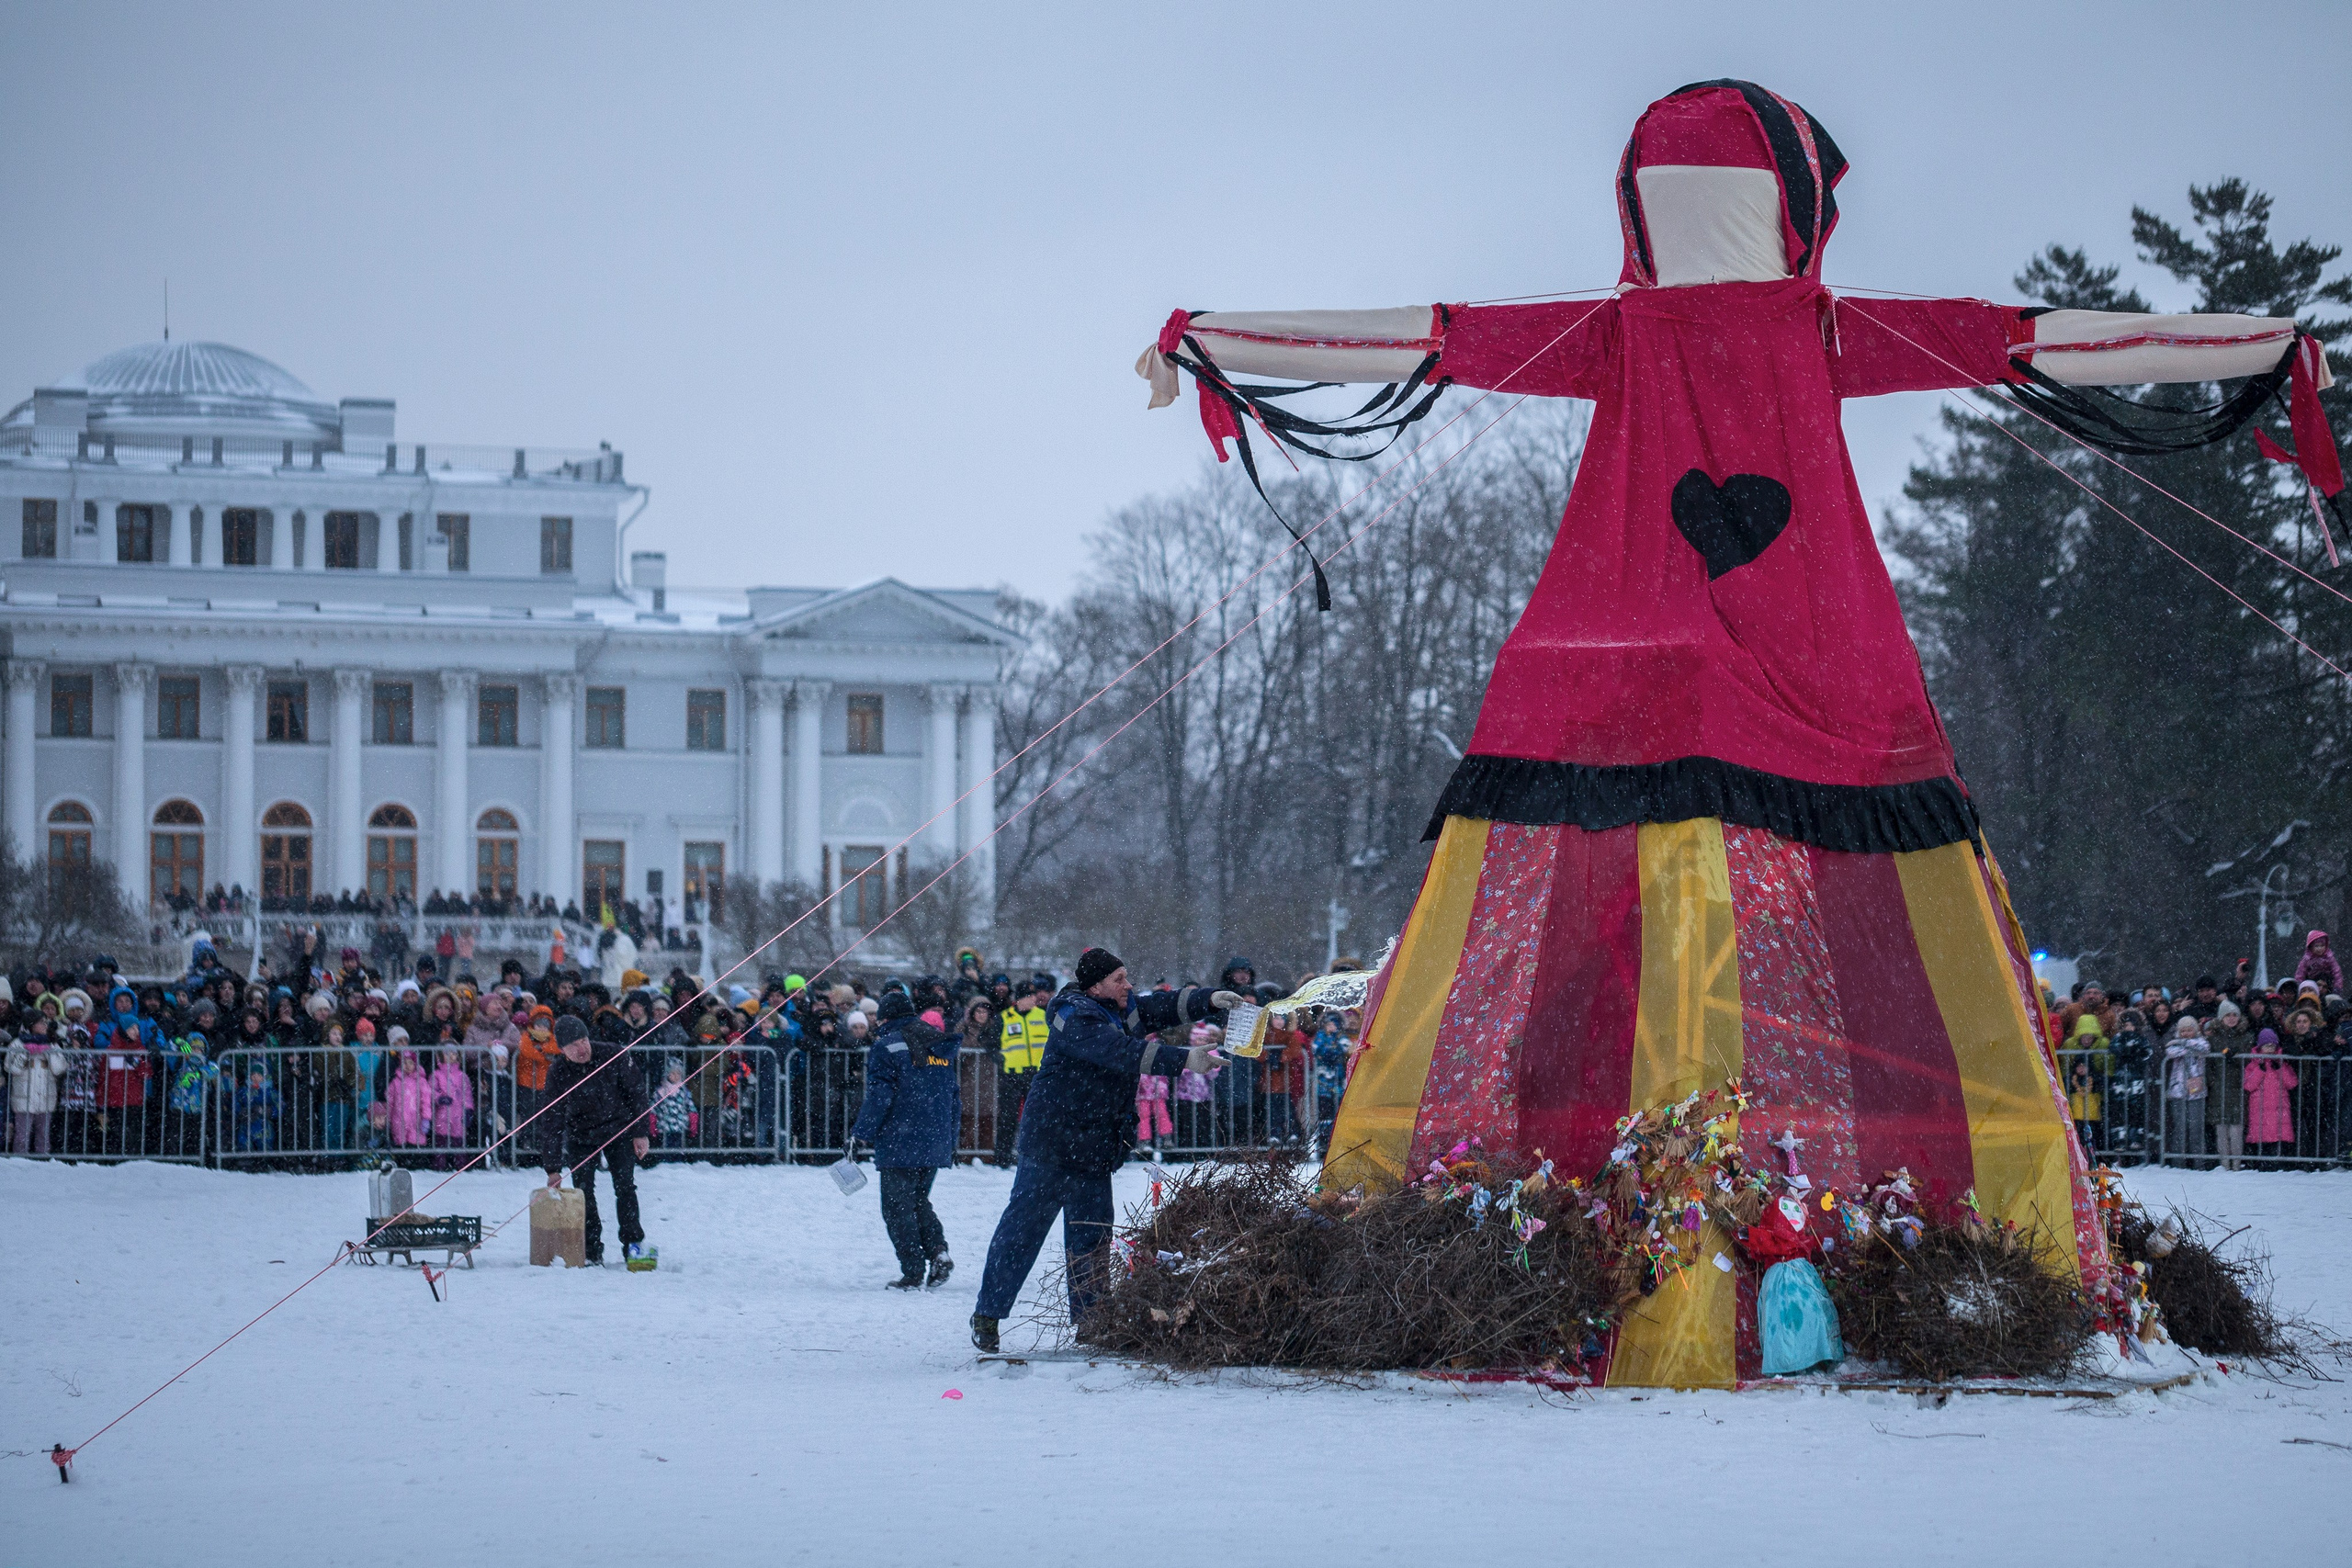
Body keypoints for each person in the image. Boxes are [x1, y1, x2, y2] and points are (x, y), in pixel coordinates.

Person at [970, 949, 1240, 1353]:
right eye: (1120, 978)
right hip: (1052, 1143)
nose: (1128, 985)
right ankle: (988, 1315)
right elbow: (1120, 1052)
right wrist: (1185, 1059)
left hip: (1094, 1146)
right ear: (1096, 985)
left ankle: (1092, 1322)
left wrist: (1210, 999)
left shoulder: (1119, 1006)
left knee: (1092, 1239)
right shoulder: (1074, 1016)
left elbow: (1160, 1006)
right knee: (1022, 1232)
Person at [848, 995, 962, 1289]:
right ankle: (938, 1252)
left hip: (902, 1138)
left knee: (898, 1209)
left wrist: (861, 1133)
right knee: (918, 1201)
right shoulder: (939, 1043)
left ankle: (912, 1272)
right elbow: (954, 1096)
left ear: (885, 1018)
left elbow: (879, 1096)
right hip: (935, 1137)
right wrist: (951, 1137)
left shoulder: (886, 1046)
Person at [541, 1014, 652, 1267]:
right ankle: (591, 1250)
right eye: (573, 1045)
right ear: (562, 1050)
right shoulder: (558, 1071)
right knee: (583, 1193)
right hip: (581, 1136)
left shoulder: (612, 1055)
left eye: (583, 1041)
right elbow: (551, 1120)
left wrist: (640, 1132)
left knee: (625, 1188)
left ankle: (634, 1245)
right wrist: (553, 1168)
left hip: (619, 1129)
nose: (581, 1049)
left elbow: (637, 1093)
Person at [993, 977, 1049, 1168]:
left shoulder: (1043, 1016)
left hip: (1037, 1076)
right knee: (1007, 1118)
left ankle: (1038, 1154)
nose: (1034, 999)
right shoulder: (1004, 1017)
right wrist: (999, 1058)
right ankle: (1002, 1156)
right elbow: (988, 1041)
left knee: (1039, 1118)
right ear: (1019, 999)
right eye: (1029, 996)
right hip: (1011, 1076)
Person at [2244, 1028, 2299, 1161]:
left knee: (2278, 1138)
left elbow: (2292, 1083)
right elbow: (2248, 1085)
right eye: (2267, 1046)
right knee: (2263, 1138)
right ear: (2260, 1047)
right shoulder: (2253, 1064)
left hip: (2279, 1108)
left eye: (2272, 1046)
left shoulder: (2282, 1063)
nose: (2270, 1049)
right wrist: (2260, 1070)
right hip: (2260, 1108)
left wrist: (2280, 1068)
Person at [2161, 1015, 2209, 1167]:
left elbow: (2204, 1048)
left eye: (2189, 1030)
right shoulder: (2174, 1043)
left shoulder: (2200, 1042)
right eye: (2183, 1031)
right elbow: (2171, 1051)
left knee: (2196, 1129)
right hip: (2178, 1091)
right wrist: (2187, 1046)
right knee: (2179, 1128)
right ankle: (2178, 1163)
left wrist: (2184, 1044)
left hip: (2196, 1092)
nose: (2186, 1033)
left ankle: (2199, 1163)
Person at [2294, 930, 2345, 1000]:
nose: (2320, 949)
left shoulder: (2329, 957)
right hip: (2311, 981)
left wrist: (2337, 987)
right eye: (2317, 946)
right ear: (2311, 947)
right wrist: (2300, 985)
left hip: (2328, 983)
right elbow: (2300, 972)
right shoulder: (2307, 959)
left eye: (2322, 946)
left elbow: (2337, 972)